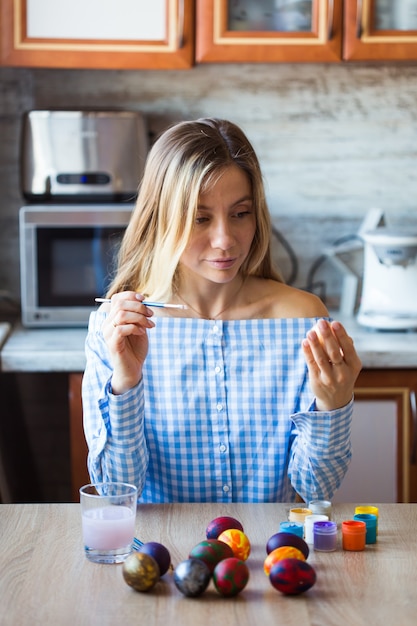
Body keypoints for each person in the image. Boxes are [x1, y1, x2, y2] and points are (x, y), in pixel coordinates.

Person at [82, 117, 362, 504]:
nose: (225, 240)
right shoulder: (117, 330)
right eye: (200, 218)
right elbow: (114, 491)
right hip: (162, 558)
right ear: (161, 218)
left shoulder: (303, 320)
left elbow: (314, 490)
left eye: (240, 213)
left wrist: (335, 404)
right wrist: (126, 383)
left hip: (269, 557)